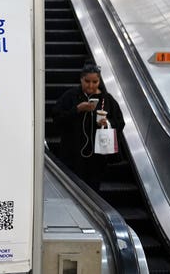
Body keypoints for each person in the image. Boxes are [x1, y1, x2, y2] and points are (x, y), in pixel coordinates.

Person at [52, 62, 125, 190]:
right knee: (72, 188)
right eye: (87, 81)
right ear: (81, 79)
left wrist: (107, 123)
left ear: (99, 81)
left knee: (93, 188)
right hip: (72, 153)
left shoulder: (106, 99)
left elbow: (120, 122)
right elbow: (57, 118)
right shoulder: (71, 96)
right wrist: (77, 110)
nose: (90, 86)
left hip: (97, 156)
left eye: (95, 82)